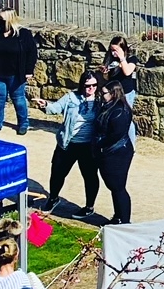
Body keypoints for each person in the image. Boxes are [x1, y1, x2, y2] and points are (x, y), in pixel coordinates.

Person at [41, 74, 101, 216]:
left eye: (94, 85)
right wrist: (46, 106)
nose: (91, 88)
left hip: (88, 146)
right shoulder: (71, 97)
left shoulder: (100, 100)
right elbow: (56, 107)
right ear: (82, 85)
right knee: (57, 173)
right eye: (88, 86)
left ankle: (89, 207)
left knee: (90, 176)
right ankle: (53, 198)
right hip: (68, 143)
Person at [0, 11, 37, 138]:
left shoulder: (23, 34)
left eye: (1, 18)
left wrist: (29, 71)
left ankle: (23, 123)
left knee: (18, 99)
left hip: (16, 74)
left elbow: (32, 53)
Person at [95, 77, 136, 225]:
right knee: (114, 187)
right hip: (112, 150)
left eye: (105, 93)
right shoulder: (110, 107)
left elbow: (116, 134)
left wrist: (100, 142)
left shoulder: (119, 111)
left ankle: (124, 221)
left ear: (113, 94)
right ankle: (118, 216)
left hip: (118, 152)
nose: (102, 95)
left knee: (118, 187)